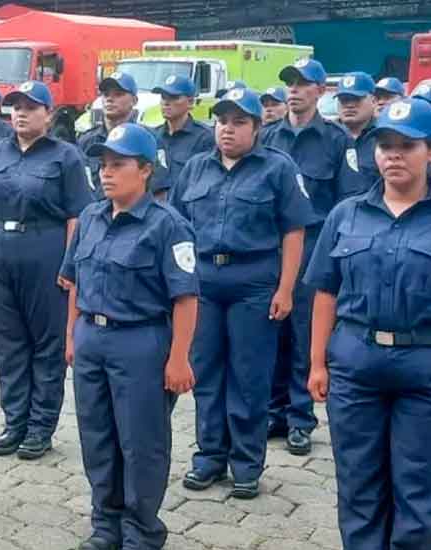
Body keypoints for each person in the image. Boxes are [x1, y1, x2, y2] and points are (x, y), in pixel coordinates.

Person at [170, 88, 313, 499]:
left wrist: (286, 289)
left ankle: (247, 463)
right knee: (207, 372)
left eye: (238, 122)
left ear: (257, 127)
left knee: (250, 377)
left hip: (254, 282)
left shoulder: (277, 169)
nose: (227, 129)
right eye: (221, 121)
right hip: (204, 284)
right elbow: (177, 230)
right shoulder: (196, 168)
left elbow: (293, 230)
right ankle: (210, 456)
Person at [63, 122, 198, 550]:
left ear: (144, 170)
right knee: (97, 437)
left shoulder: (167, 226)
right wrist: (72, 335)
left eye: (117, 164)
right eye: (103, 164)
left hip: (140, 343)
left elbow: (186, 298)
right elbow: (74, 283)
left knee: (141, 443)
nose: (105, 173)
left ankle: (141, 531)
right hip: (92, 340)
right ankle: (106, 524)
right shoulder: (90, 217)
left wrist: (179, 359)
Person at [304, 97, 431, 550]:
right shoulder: (347, 214)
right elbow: (324, 291)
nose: (393, 155)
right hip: (356, 364)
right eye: (386, 146)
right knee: (358, 480)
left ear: (429, 151)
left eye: (407, 146)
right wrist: (317, 363)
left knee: (418, 486)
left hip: (422, 367)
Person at [0, 81, 94, 459]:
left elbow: (78, 215)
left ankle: (40, 426)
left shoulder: (66, 157)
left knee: (47, 344)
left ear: (49, 113)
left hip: (45, 250)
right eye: (16, 106)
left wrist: (70, 264)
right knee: (7, 343)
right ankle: (15, 421)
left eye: (31, 106)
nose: (21, 113)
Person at [261, 58, 351, 456]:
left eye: (302, 83)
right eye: (289, 83)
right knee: (272, 331)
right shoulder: (268, 137)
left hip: (315, 247)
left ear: (320, 91)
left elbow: (347, 201)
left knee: (303, 334)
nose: (294, 90)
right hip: (273, 248)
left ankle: (301, 417)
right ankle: (274, 411)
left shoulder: (336, 140)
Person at [150, 75, 215, 200]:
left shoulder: (205, 138)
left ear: (190, 102)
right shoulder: (153, 136)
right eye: (163, 97)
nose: (166, 103)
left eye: (174, 97)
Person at [78, 72, 139, 197]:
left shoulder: (145, 139)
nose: (110, 99)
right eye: (106, 94)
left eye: (118, 94)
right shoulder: (86, 140)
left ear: (134, 100)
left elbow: (158, 192)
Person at [335, 72, 381, 200]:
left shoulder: (385, 138)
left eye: (356, 98)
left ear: (374, 101)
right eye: (344, 100)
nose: (349, 105)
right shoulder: (326, 137)